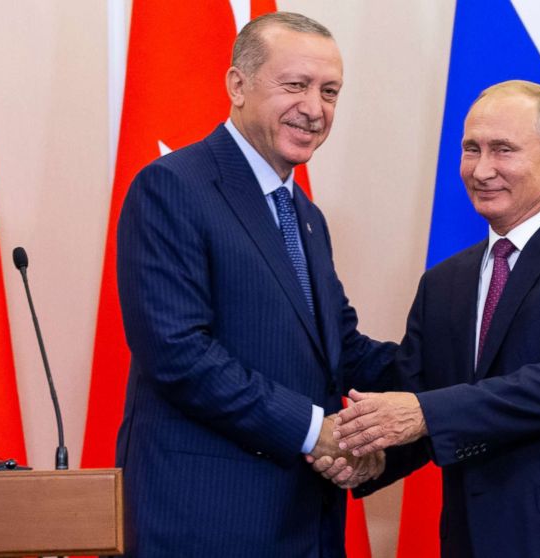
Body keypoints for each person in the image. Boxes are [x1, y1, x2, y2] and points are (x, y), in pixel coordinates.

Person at [323, 80, 540, 557]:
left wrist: (421, 414)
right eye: (471, 149)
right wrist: (371, 453)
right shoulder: (445, 282)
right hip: (473, 540)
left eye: (503, 150)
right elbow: (418, 391)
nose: (482, 170)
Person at [115, 12, 393, 557]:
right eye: (295, 85)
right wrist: (317, 430)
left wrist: (460, 374)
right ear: (237, 85)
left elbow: (341, 350)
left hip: (302, 522)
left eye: (329, 91)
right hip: (204, 523)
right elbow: (179, 354)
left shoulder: (304, 215)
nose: (314, 109)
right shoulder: (172, 187)